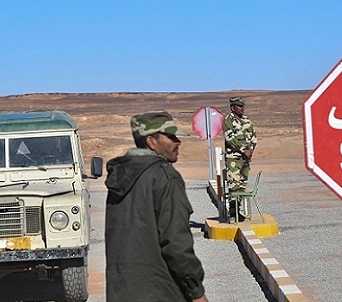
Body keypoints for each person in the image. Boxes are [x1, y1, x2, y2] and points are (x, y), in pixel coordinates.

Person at [105, 110, 209, 302]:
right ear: (151, 142)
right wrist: (196, 292)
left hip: (122, 292)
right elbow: (176, 243)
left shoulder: (120, 177)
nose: (178, 142)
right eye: (170, 136)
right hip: (162, 293)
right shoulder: (165, 177)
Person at [222, 97, 257, 221]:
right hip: (233, 160)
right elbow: (230, 139)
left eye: (243, 106)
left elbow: (253, 135)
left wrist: (251, 149)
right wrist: (243, 150)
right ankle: (233, 214)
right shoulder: (228, 121)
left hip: (245, 161)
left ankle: (238, 212)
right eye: (239, 106)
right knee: (234, 186)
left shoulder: (246, 120)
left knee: (242, 186)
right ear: (232, 108)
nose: (242, 108)